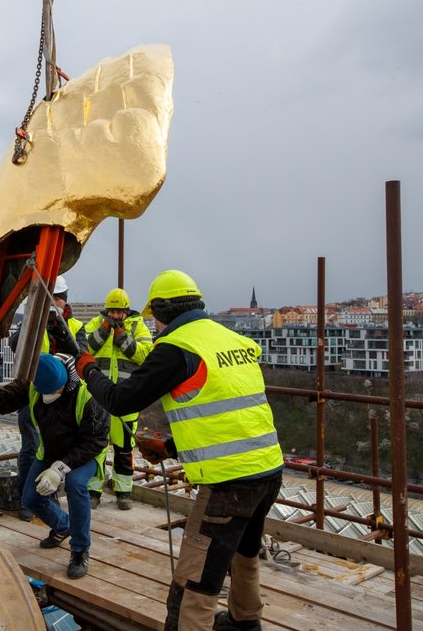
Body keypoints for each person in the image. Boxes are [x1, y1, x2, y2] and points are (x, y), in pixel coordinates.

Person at [77, 270, 284, 631]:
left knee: (193, 583)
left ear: (161, 310)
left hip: (229, 482)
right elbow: (230, 415)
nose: (153, 324)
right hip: (269, 468)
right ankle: (245, 620)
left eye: (154, 316)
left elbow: (121, 399)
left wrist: (88, 371)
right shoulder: (227, 337)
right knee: (244, 550)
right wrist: (171, 447)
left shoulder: (177, 347)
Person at [0, 353, 108, 579]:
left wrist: (61, 469)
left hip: (83, 453)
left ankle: (79, 549)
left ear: (64, 384)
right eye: (43, 392)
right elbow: (3, 399)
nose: (48, 396)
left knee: (76, 486)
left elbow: (95, 441)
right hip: (50, 452)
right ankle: (62, 526)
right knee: (31, 498)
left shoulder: (88, 396)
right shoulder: (35, 383)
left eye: (53, 392)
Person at [8, 274, 87, 521]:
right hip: (33, 394)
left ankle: (49, 496)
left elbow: (81, 353)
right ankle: (27, 499)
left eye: (57, 300)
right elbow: (14, 343)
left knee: (58, 448)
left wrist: (61, 332)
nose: (53, 304)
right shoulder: (33, 320)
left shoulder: (75, 327)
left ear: (64, 301)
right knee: (31, 447)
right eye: (49, 299)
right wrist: (31, 323)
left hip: (63, 398)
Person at [82, 287, 153, 510]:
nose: (114, 316)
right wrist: (104, 332)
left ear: (126, 311)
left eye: (118, 312)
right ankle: (94, 491)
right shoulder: (96, 323)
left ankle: (124, 493)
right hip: (98, 399)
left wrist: (122, 338)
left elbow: (144, 354)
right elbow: (84, 347)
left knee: (124, 449)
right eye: (111, 312)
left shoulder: (138, 326)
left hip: (126, 400)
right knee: (97, 448)